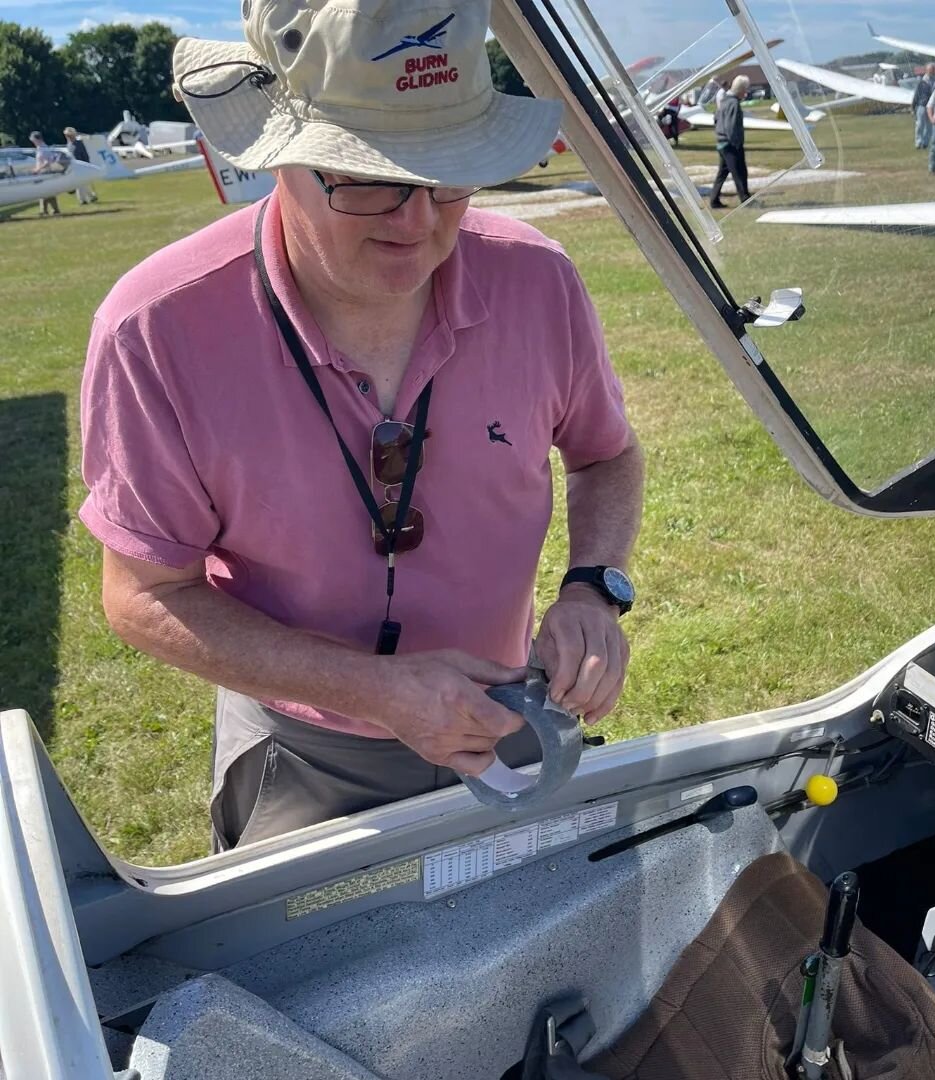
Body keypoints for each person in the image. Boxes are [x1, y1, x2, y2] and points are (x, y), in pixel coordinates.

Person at [79, 0, 645, 852]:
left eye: (448, 172)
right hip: (308, 751)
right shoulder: (155, 331)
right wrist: (369, 689)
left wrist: (594, 587)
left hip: (507, 714)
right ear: (279, 156)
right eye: (369, 176)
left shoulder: (539, 282)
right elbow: (143, 593)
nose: (417, 225)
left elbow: (607, 454)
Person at [708, 74, 750, 209]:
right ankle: (746, 199)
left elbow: (716, 118)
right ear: (741, 89)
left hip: (721, 142)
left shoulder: (724, 100)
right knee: (740, 172)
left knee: (722, 173)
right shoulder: (733, 103)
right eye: (745, 89)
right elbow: (730, 126)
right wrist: (736, 143)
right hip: (730, 144)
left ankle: (714, 200)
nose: (746, 92)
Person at [29, 131, 62, 216]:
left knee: (46, 192)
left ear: (38, 139)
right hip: (41, 172)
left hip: (45, 172)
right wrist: (36, 169)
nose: (33, 142)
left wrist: (38, 169)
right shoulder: (40, 148)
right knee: (45, 192)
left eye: (33, 140)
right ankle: (48, 210)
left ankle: (47, 210)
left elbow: (47, 162)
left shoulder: (44, 148)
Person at [63, 126, 98, 205]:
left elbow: (85, 155)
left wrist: (88, 165)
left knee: (80, 184)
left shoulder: (79, 144)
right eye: (67, 136)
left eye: (69, 135)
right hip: (73, 167)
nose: (68, 137)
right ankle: (91, 197)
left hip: (81, 166)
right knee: (81, 184)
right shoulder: (68, 145)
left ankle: (83, 200)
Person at [911, 63, 935, 150]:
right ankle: (918, 142)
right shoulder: (922, 82)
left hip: (932, 106)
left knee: (929, 126)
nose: (932, 71)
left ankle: (925, 143)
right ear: (927, 71)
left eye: (933, 70)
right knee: (920, 124)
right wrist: (913, 107)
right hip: (922, 105)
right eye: (931, 70)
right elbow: (917, 94)